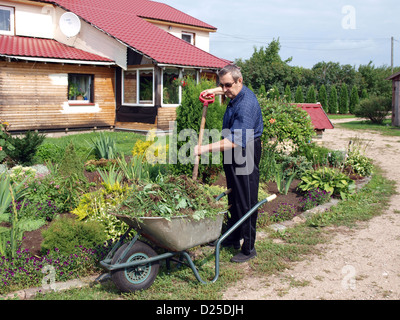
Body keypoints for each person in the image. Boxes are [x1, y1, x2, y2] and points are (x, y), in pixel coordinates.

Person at [194, 64, 263, 263]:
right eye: (221, 85)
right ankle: (232, 237)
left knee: (246, 200)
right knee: (234, 195)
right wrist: (212, 91)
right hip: (234, 150)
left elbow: (235, 141)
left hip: (245, 150)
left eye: (227, 86)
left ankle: (249, 248)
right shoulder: (236, 91)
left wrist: (203, 149)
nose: (224, 90)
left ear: (239, 81)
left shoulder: (246, 105)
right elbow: (226, 88)